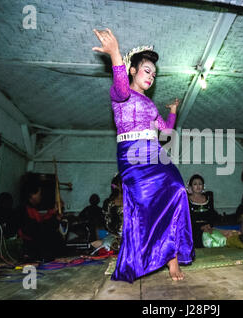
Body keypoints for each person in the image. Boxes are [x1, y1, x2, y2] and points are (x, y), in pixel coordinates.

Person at [92, 28, 194, 282]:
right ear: (133, 71)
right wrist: (115, 53)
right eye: (147, 71)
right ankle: (141, 259)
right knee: (143, 206)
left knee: (178, 190)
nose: (152, 76)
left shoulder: (150, 105)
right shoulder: (120, 94)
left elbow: (167, 132)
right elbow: (122, 87)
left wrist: (172, 112)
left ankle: (172, 259)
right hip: (132, 156)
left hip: (154, 153)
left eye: (154, 74)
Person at [17, 177, 65, 262]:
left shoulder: (31, 209)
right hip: (31, 250)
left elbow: (41, 220)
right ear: (32, 195)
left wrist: (53, 212)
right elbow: (39, 230)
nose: (41, 196)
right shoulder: (23, 211)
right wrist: (56, 219)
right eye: (39, 194)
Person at [187, 174, 220, 248]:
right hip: (193, 231)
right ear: (191, 186)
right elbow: (186, 218)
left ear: (203, 186)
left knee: (221, 238)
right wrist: (200, 227)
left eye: (200, 184)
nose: (198, 186)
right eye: (195, 184)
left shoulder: (208, 198)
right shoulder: (186, 200)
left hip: (208, 228)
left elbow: (213, 215)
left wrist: (210, 225)